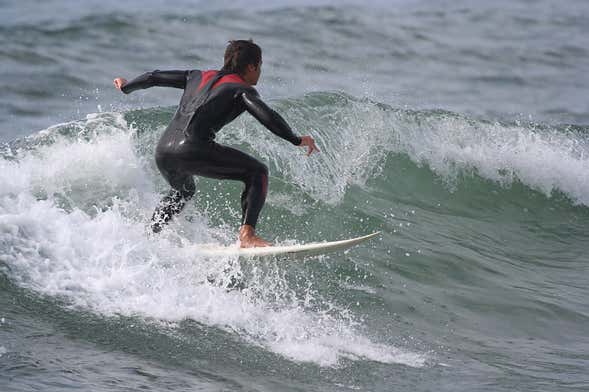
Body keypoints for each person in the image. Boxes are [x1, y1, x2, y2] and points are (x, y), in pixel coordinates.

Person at [113, 39, 319, 247]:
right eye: (260, 65)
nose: (260, 71)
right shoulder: (242, 89)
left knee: (184, 191)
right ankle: (247, 235)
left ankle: (151, 235)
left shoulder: (195, 75)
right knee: (258, 172)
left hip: (164, 151)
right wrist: (296, 139)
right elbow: (267, 115)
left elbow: (153, 77)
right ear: (252, 66)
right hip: (192, 148)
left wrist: (126, 87)